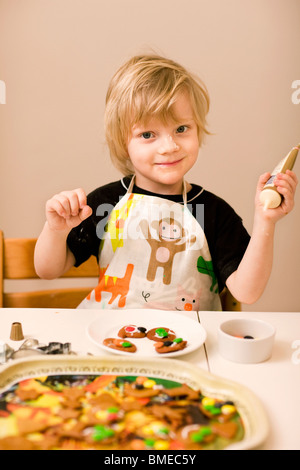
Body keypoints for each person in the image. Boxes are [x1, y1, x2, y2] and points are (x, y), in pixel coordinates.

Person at [34, 55, 298, 310]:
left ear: (198, 128)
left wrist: (266, 222)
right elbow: (47, 271)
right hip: (113, 341)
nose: (169, 146)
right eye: (148, 134)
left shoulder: (214, 213)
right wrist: (55, 230)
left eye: (181, 129)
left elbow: (247, 292)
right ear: (123, 143)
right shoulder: (104, 205)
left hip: (187, 348)